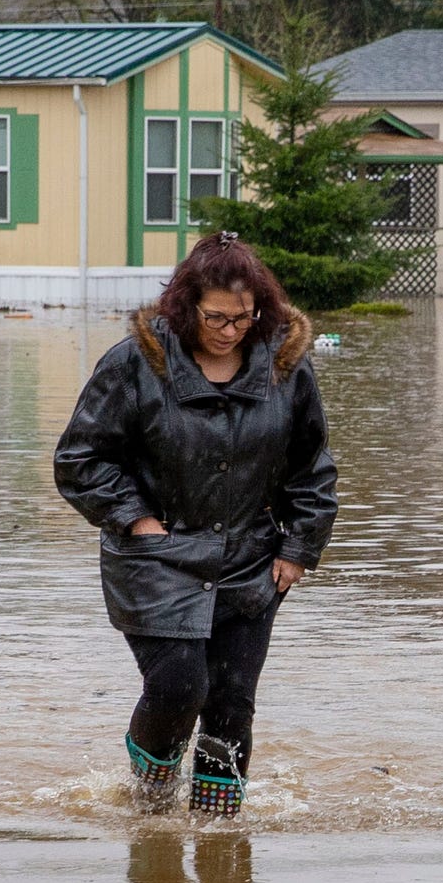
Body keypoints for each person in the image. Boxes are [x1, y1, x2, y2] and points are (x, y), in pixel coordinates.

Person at [55, 233, 337, 817]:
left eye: (243, 318)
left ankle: (218, 829)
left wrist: (299, 548)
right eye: (215, 317)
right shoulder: (134, 363)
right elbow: (79, 461)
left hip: (252, 560)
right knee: (181, 686)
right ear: (186, 306)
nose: (229, 330)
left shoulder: (287, 368)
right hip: (156, 557)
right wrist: (136, 521)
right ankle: (150, 802)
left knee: (232, 702)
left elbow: (312, 469)